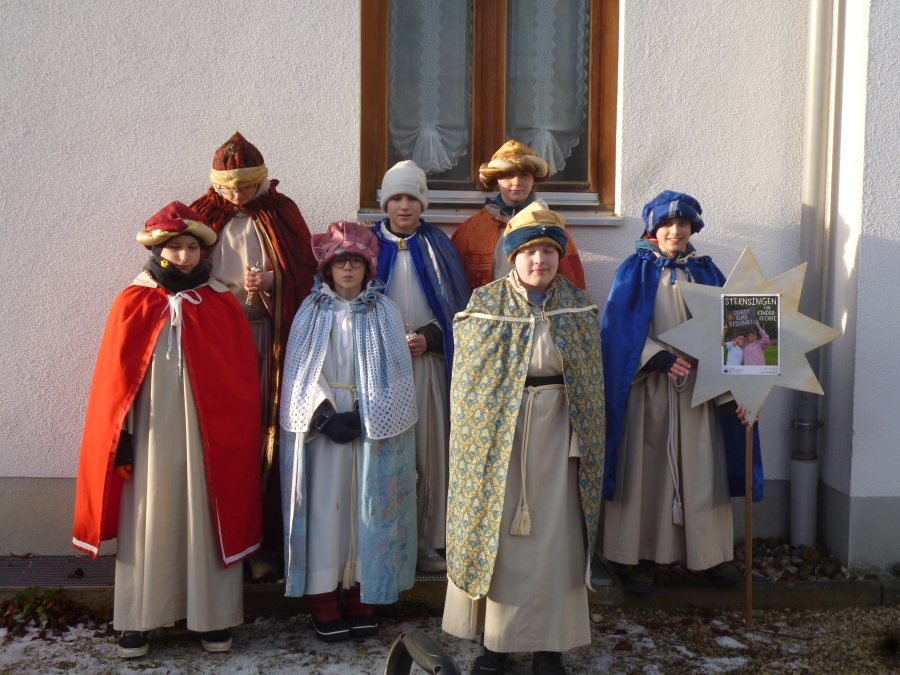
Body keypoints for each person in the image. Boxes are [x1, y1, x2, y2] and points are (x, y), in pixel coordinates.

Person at [72, 202, 263, 658]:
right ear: (157, 250)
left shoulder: (221, 302)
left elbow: (238, 382)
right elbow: (114, 384)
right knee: (147, 519)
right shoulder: (132, 301)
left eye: (191, 247)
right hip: (150, 435)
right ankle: (139, 619)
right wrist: (122, 438)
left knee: (206, 517)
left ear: (203, 251)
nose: (183, 255)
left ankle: (213, 618)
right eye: (174, 247)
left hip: (207, 440)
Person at [442, 202, 605, 675]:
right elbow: (470, 389)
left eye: (549, 251)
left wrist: (580, 441)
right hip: (499, 443)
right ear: (512, 257)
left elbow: (591, 389)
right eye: (530, 251)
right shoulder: (484, 308)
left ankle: (549, 648)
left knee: (556, 542)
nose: (540, 261)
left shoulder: (578, 307)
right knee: (499, 540)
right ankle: (495, 645)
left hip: (559, 441)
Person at [600, 191, 763, 595]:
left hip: (699, 392)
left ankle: (710, 558)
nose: (676, 231)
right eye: (667, 225)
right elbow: (616, 332)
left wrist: (742, 391)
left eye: (684, 224)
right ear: (652, 229)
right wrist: (652, 357)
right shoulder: (633, 272)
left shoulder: (708, 272)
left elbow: (742, 334)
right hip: (649, 393)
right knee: (646, 472)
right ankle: (639, 558)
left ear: (693, 228)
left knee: (703, 471)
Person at [279, 221, 419, 642]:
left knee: (368, 511)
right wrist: (322, 416)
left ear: (367, 268)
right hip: (324, 432)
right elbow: (300, 372)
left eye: (356, 262)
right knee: (325, 512)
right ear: (327, 268)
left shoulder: (385, 310)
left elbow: (396, 371)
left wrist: (368, 414)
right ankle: (323, 599)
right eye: (341, 262)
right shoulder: (311, 311)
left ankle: (364, 596)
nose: (348, 270)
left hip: (369, 429)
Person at [190, 131, 317, 579]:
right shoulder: (202, 215)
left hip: (268, 338)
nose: (235, 196)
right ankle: (216, 540)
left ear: (261, 181)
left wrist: (272, 285)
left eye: (244, 186)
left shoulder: (281, 213)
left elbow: (304, 273)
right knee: (223, 431)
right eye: (227, 187)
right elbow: (183, 269)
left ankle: (263, 541)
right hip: (217, 342)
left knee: (266, 430)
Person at [371, 160, 471, 573]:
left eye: (412, 197)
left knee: (429, 451)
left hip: (425, 363)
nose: (405, 206)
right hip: (379, 367)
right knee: (385, 452)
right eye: (396, 198)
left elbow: (457, 307)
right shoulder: (368, 245)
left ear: (423, 203)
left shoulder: (439, 246)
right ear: (385, 203)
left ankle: (430, 541)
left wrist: (430, 337)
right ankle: (383, 536)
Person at [451, 140, 586, 290]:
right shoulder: (472, 230)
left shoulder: (551, 226)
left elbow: (571, 281)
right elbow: (455, 286)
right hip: (489, 312)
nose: (517, 182)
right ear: (496, 179)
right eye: (508, 175)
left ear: (533, 179)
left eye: (524, 174)